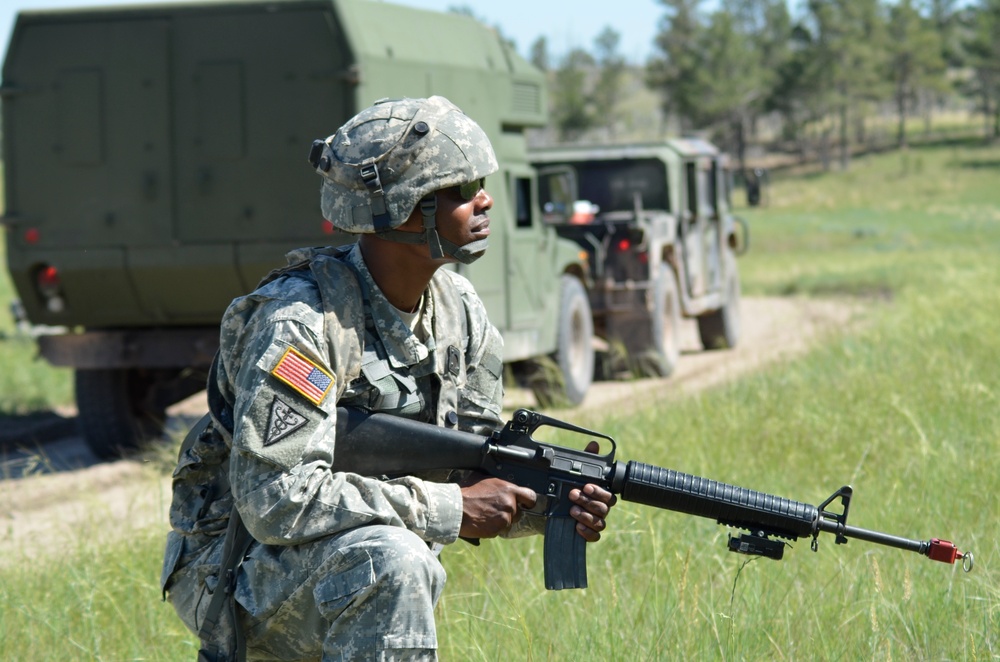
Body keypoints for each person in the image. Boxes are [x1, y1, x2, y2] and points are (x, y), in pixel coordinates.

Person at [160, 96, 617, 661]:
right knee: (394, 561)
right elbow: (276, 499)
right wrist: (452, 508)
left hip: (342, 558)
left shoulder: (461, 313)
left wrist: (549, 506)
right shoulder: (301, 324)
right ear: (403, 211)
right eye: (460, 187)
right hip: (235, 569)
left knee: (395, 556)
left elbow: (473, 469)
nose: (485, 198)